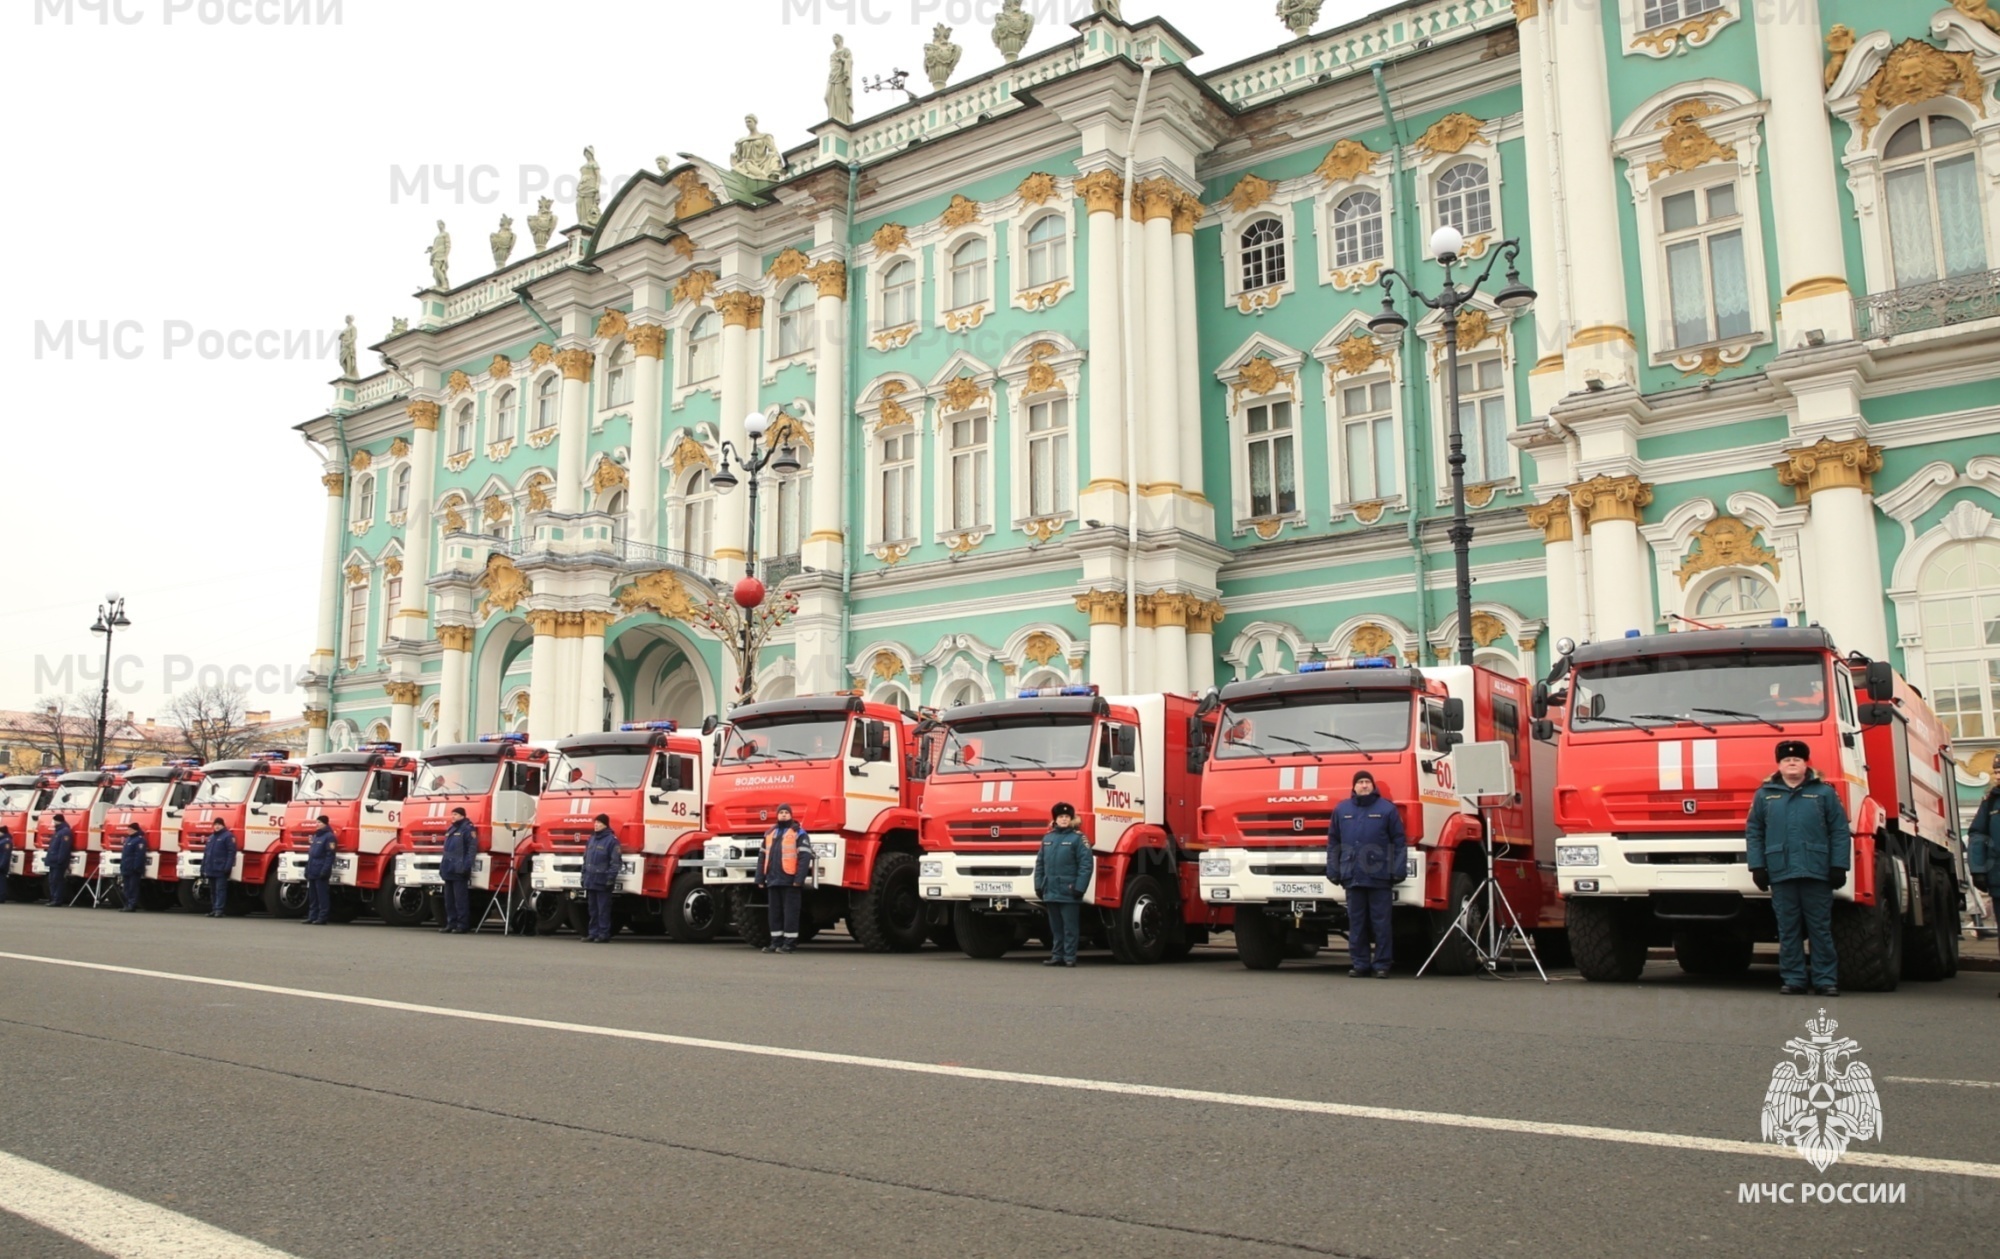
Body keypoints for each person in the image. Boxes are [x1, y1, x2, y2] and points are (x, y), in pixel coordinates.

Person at [1746, 739, 1850, 997]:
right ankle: (1793, 979)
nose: (1792, 763)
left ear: (1806, 764)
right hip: (1782, 872)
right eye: (1786, 760)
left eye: (1797, 760)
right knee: (1788, 929)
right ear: (1779, 765)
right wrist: (1757, 867)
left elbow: (1839, 831)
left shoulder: (1824, 793)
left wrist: (1839, 866)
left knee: (1820, 929)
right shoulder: (1765, 795)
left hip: (1816, 871)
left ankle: (1826, 980)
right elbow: (1754, 832)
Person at [1326, 770, 1408, 977]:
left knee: (1381, 923)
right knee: (1357, 923)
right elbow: (1333, 842)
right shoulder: (1341, 809)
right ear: (1353, 786)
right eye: (1360, 782)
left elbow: (1399, 842)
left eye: (1367, 782)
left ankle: (1381, 965)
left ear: (1373, 786)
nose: (1364, 785)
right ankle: (1360, 964)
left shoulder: (1387, 809)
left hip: (1379, 876)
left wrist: (1398, 870)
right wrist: (1333, 870)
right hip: (1352, 876)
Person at [1032, 803, 1093, 967]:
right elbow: (1040, 865)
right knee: (1056, 927)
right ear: (1055, 819)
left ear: (1071, 819)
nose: (1064, 819)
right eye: (1060, 817)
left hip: (1069, 891)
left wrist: (1080, 887)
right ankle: (1057, 955)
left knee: (1070, 927)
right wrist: (1039, 886)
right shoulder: (1048, 839)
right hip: (1051, 890)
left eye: (1067, 817)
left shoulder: (1078, 839)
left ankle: (1069, 957)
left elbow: (1086, 865)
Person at [755, 804, 816, 954]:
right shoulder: (770, 833)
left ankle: (789, 944)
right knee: (774, 913)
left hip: (790, 880)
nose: (783, 815)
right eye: (781, 812)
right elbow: (762, 857)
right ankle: (775, 943)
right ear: (777, 815)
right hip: (773, 879)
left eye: (786, 812)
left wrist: (799, 879)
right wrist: (760, 878)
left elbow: (804, 857)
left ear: (791, 815)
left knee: (790, 913)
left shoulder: (799, 833)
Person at [580, 814, 620, 943]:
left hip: (603, 881)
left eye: (599, 823)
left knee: (603, 909)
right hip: (591, 880)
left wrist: (610, 878)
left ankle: (603, 934)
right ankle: (593, 933)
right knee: (592, 909)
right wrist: (583, 876)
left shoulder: (611, 841)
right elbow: (586, 860)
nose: (596, 825)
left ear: (605, 824)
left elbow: (615, 862)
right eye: (595, 822)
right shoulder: (591, 839)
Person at [439, 807, 477, 934]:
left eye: (455, 814)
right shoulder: (451, 828)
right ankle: (451, 923)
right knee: (448, 899)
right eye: (452, 814)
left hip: (459, 868)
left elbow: (471, 849)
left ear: (462, 815)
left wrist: (467, 866)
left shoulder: (468, 828)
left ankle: (462, 924)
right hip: (448, 868)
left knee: (460, 899)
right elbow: (446, 851)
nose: (453, 816)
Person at [303, 815, 337, 925]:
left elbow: (330, 855)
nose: (316, 824)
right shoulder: (316, 837)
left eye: (319, 822)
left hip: (321, 870)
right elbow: (311, 855)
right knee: (312, 896)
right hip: (313, 869)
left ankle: (322, 917)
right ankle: (312, 916)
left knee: (322, 896)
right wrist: (307, 869)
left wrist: (325, 870)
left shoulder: (329, 837)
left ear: (325, 824)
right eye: (316, 822)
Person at [201, 819, 238, 918]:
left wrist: (227, 867)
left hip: (221, 869)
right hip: (210, 868)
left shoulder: (228, 836)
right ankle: (214, 909)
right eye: (215, 824)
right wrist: (203, 867)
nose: (217, 826)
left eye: (219, 825)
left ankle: (219, 910)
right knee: (212, 891)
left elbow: (231, 852)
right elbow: (206, 854)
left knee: (220, 890)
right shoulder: (211, 838)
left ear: (223, 825)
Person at [45, 816, 76, 907]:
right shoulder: (58, 831)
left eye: (54, 821)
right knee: (52, 880)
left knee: (57, 880)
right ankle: (53, 898)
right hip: (53, 861)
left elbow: (64, 848)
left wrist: (60, 860)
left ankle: (57, 899)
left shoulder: (65, 832)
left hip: (58, 862)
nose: (53, 823)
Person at [118, 823, 147, 912]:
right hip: (126, 867)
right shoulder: (128, 839)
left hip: (133, 869)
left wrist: (137, 867)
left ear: (134, 830)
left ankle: (132, 905)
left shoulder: (139, 840)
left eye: (129, 829)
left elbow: (139, 855)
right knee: (126, 888)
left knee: (132, 888)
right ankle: (126, 905)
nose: (127, 831)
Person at [0, 824, 13, 905]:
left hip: (1, 865)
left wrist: (1, 865)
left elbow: (5, 855)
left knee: (1, 882)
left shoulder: (6, 841)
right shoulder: (2, 840)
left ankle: (1, 897)